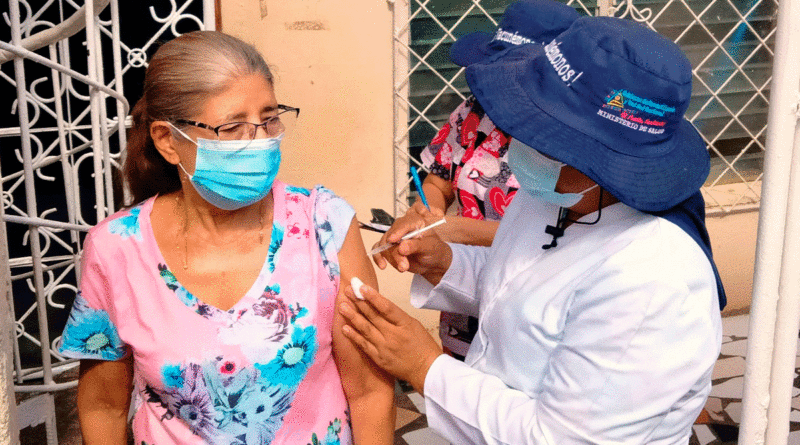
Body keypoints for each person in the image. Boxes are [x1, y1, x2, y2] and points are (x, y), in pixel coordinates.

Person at [343, 16, 727, 444]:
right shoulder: (554, 194)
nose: (517, 146)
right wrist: (446, 263)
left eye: (542, 139)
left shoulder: (653, 281)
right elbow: (524, 285)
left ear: (601, 161)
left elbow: (563, 437)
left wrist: (425, 368)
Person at [57, 31, 394, 445]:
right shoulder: (117, 250)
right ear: (168, 141)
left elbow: (370, 392)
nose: (260, 140)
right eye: (232, 126)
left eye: (270, 118)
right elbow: (103, 405)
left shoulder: (325, 227)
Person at [387, 0, 579, 360]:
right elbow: (439, 180)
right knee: (461, 391)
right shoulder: (473, 112)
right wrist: (425, 212)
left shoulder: (567, 139)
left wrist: (451, 229)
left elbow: (556, 232)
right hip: (460, 290)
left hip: (530, 300)